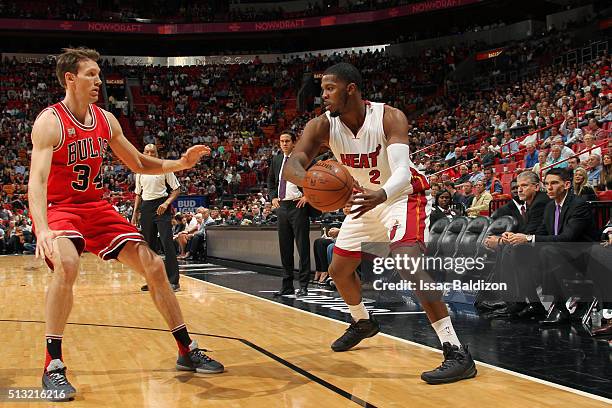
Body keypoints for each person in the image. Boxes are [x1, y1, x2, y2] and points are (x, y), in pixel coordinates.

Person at [28, 47, 223, 401]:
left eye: (99, 75)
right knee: (67, 265)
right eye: (91, 75)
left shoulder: (106, 120)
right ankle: (52, 365)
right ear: (70, 78)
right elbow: (37, 182)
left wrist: (180, 163)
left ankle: (186, 348)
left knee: (155, 266)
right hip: (60, 209)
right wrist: (42, 228)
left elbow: (138, 163)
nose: (98, 81)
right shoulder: (49, 121)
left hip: (96, 207)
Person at [282, 62, 476, 384]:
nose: (323, 96)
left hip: (400, 195)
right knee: (339, 270)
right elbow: (293, 167)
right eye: (322, 90)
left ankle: (456, 351)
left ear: (351, 89)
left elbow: (401, 170)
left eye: (330, 89)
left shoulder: (389, 117)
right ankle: (362, 322)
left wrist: (382, 193)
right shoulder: (322, 126)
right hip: (363, 201)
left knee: (407, 261)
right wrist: (311, 183)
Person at [131, 144, 181, 292]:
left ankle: (174, 281)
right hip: (146, 208)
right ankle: (153, 281)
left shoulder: (164, 167)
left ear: (157, 153)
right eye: (147, 151)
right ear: (143, 153)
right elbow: (138, 194)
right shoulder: (139, 170)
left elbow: (176, 189)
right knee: (149, 247)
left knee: (167, 243)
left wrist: (166, 203)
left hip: (161, 206)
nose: (150, 154)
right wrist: (135, 213)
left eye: (153, 152)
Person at [268, 130, 311, 297]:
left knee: (303, 247)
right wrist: (273, 198)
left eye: (287, 141)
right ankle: (287, 286)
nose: (284, 143)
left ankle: (304, 285)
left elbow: (314, 178)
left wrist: (308, 196)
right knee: (285, 249)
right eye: (281, 141)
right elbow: (271, 182)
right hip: (282, 207)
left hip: (298, 205)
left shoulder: (302, 159)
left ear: (294, 142)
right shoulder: (277, 159)